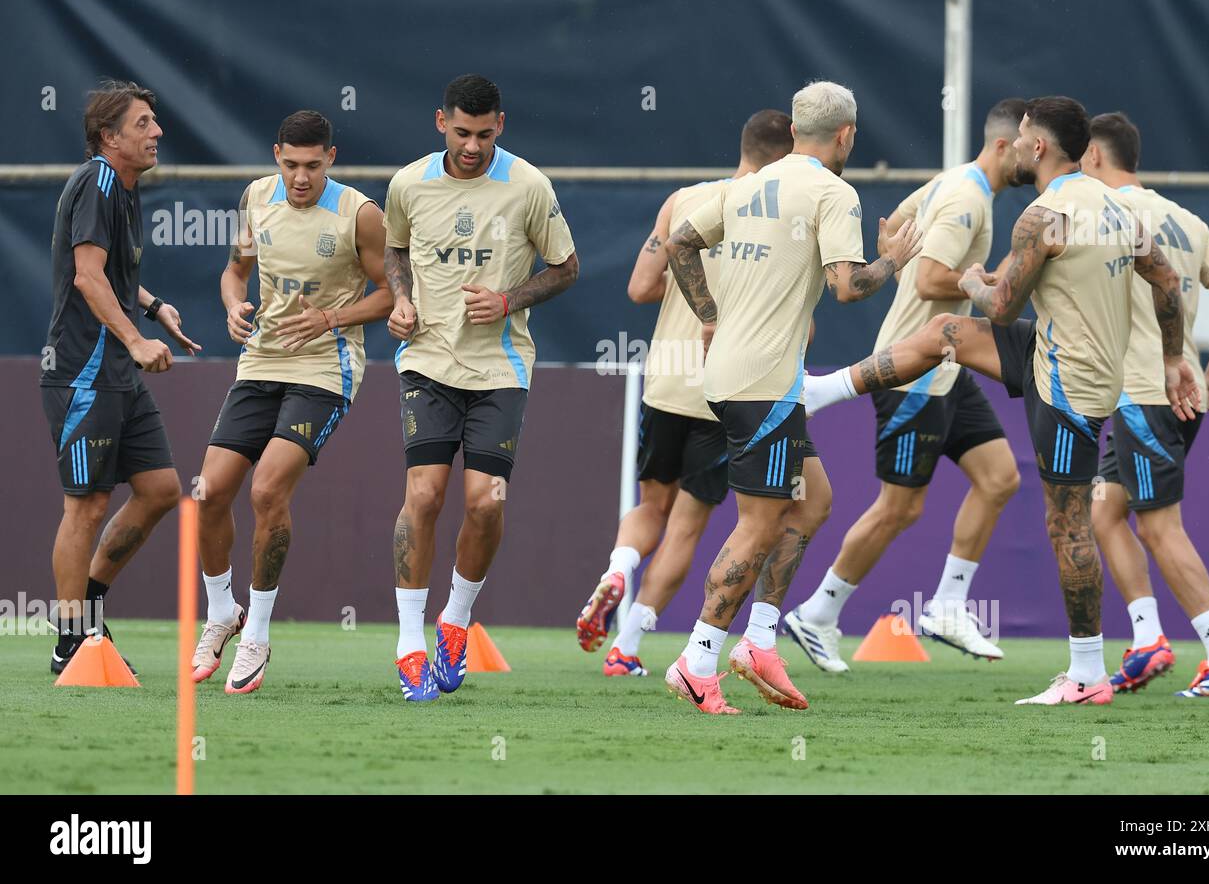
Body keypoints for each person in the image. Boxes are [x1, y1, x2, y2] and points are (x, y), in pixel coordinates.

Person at [835, 96, 1199, 705]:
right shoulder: (1117, 206)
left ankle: (1086, 674)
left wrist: (974, 278)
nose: (1021, 142)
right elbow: (1165, 281)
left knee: (1068, 524)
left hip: (1067, 385)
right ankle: (826, 390)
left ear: (1039, 148)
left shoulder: (1042, 216)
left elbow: (999, 305)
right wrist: (1171, 358)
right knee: (946, 335)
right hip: (1060, 354)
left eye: (1027, 134)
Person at [660, 81, 924, 714]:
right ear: (847, 136)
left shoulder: (747, 183)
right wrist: (891, 261)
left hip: (736, 373)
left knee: (813, 503)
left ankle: (757, 640)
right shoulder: (835, 193)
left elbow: (678, 242)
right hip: (765, 384)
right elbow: (848, 287)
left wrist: (709, 315)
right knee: (757, 524)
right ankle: (697, 662)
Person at [788, 99, 1029, 669]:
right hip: (913, 371)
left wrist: (919, 257)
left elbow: (893, 229)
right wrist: (980, 281)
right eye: (1025, 144)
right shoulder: (968, 199)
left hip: (948, 368)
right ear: (1001, 146)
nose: (1031, 154)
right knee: (899, 509)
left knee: (1000, 478)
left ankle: (947, 604)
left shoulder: (952, 184)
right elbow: (925, 277)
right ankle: (817, 612)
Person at [574, 110, 794, 677]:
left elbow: (640, 286)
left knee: (651, 505)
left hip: (666, 380)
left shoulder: (684, 201)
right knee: (689, 526)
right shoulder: (786, 213)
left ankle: (618, 568)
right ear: (786, 156)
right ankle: (626, 646)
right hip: (731, 392)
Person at [384, 74, 579, 701]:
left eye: (484, 133)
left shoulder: (529, 186)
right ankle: (410, 640)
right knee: (424, 493)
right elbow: (394, 250)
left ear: (502, 125)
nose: (472, 145)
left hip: (500, 370)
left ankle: (456, 619)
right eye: (462, 132)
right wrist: (402, 298)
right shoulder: (408, 184)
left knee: (487, 502)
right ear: (440, 122)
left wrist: (508, 299)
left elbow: (566, 267)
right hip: (427, 364)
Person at [192, 110, 392, 694]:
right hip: (262, 360)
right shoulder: (256, 196)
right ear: (276, 155)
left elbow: (391, 295)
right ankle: (220, 611)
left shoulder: (360, 214)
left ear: (331, 158)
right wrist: (233, 305)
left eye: (312, 165)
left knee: (267, 489)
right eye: (290, 164)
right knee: (208, 493)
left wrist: (330, 317)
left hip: (327, 366)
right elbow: (235, 272)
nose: (300, 177)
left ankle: (255, 631)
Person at [1082, 112, 1209, 698]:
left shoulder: (1108, 214)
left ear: (1095, 158)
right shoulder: (1185, 219)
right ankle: (1148, 639)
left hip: (1145, 393)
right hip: (1181, 391)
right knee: (1105, 511)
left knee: (1158, 527)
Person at [41, 80, 195, 675]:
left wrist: (154, 309)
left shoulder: (124, 189)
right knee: (87, 505)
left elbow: (111, 272)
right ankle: (70, 641)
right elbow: (86, 275)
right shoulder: (99, 180)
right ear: (109, 138)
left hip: (117, 375)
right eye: (143, 124)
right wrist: (136, 339)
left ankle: (89, 608)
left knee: (160, 490)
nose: (157, 132)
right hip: (82, 374)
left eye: (155, 122)